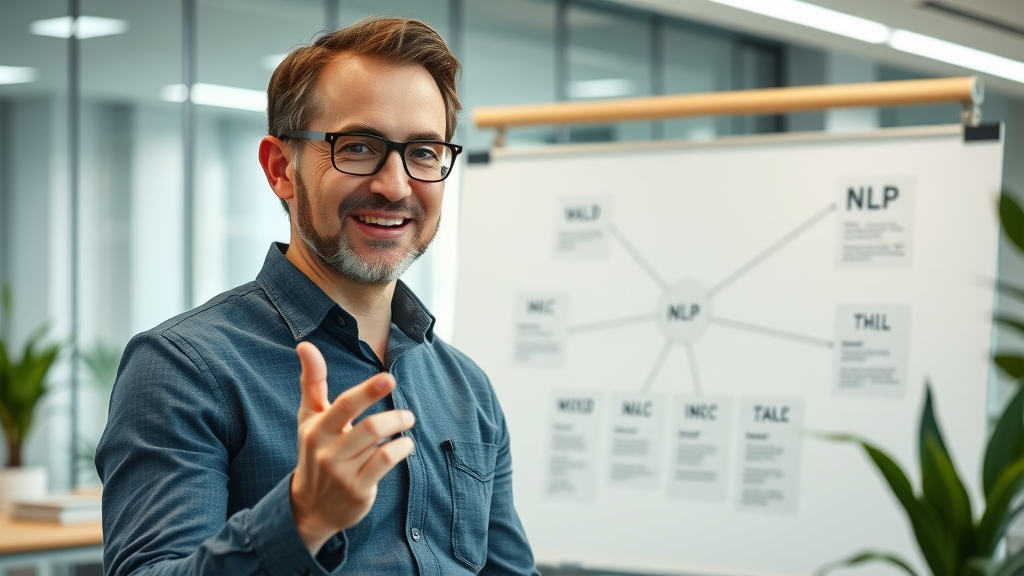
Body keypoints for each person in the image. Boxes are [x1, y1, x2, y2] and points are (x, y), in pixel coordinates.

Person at [96, 17, 538, 576]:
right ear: (281, 168)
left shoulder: (465, 388)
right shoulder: (183, 369)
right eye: (358, 147)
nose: (396, 186)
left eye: (423, 153)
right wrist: (301, 519)